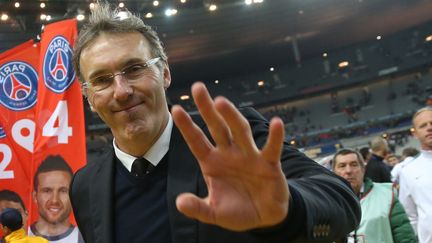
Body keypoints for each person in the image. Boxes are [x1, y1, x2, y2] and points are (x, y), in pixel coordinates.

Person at [69, 3, 361, 243]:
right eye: (102, 80)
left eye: (134, 69)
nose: (121, 91)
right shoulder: (84, 186)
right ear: (89, 97)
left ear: (165, 73)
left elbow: (342, 202)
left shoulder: (231, 136)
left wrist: (288, 210)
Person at [332, 148, 417, 243]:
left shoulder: (387, 194)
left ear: (363, 169)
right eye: (342, 166)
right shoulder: (326, 203)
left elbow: (405, 237)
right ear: (334, 173)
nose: (348, 171)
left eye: (354, 164)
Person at [29, 156, 84, 243]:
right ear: (35, 196)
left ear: (73, 195)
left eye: (63, 191)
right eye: (47, 191)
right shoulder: (17, 238)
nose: (55, 200)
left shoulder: (88, 238)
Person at [399, 107, 432, 243]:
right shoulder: (408, 171)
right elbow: (410, 216)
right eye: (423, 126)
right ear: (415, 134)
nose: (429, 128)